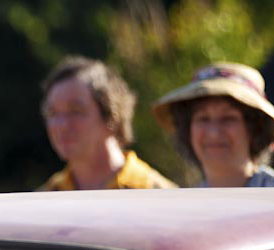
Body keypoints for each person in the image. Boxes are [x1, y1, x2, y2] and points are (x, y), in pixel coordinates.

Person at [151, 62, 274, 187]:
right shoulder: (189, 206)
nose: (214, 132)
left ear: (255, 129)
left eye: (228, 118)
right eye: (203, 118)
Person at [38, 56, 177, 190]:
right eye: (53, 113)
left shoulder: (158, 194)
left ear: (112, 116)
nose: (62, 124)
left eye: (75, 111)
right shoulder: (42, 199)